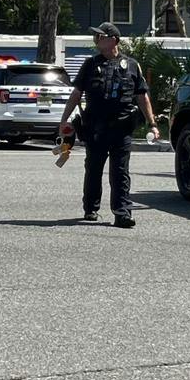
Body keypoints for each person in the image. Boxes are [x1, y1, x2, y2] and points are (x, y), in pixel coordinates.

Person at [58, 23, 161, 227]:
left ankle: (122, 213)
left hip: (122, 128)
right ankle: (91, 207)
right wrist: (64, 121)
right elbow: (76, 94)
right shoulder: (90, 64)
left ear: (113, 39)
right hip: (95, 128)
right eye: (95, 37)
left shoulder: (132, 65)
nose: (96, 40)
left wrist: (152, 124)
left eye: (100, 36)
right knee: (94, 169)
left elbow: (142, 97)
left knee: (120, 171)